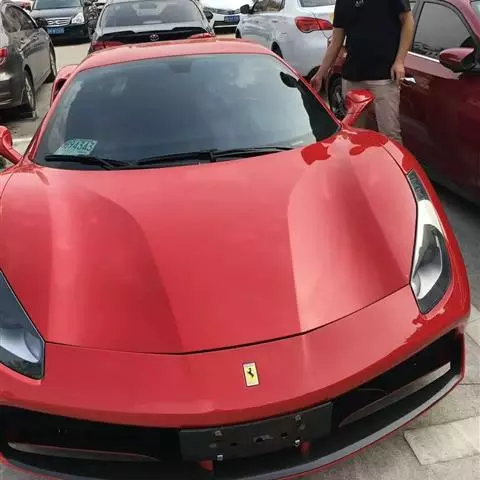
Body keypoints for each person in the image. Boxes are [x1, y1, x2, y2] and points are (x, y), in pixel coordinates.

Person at [310, 0, 414, 143]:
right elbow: (336, 41)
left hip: (383, 78)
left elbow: (408, 20)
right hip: (352, 79)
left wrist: (400, 61)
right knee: (354, 137)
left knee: (390, 136)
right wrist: (320, 74)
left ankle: (391, 159)